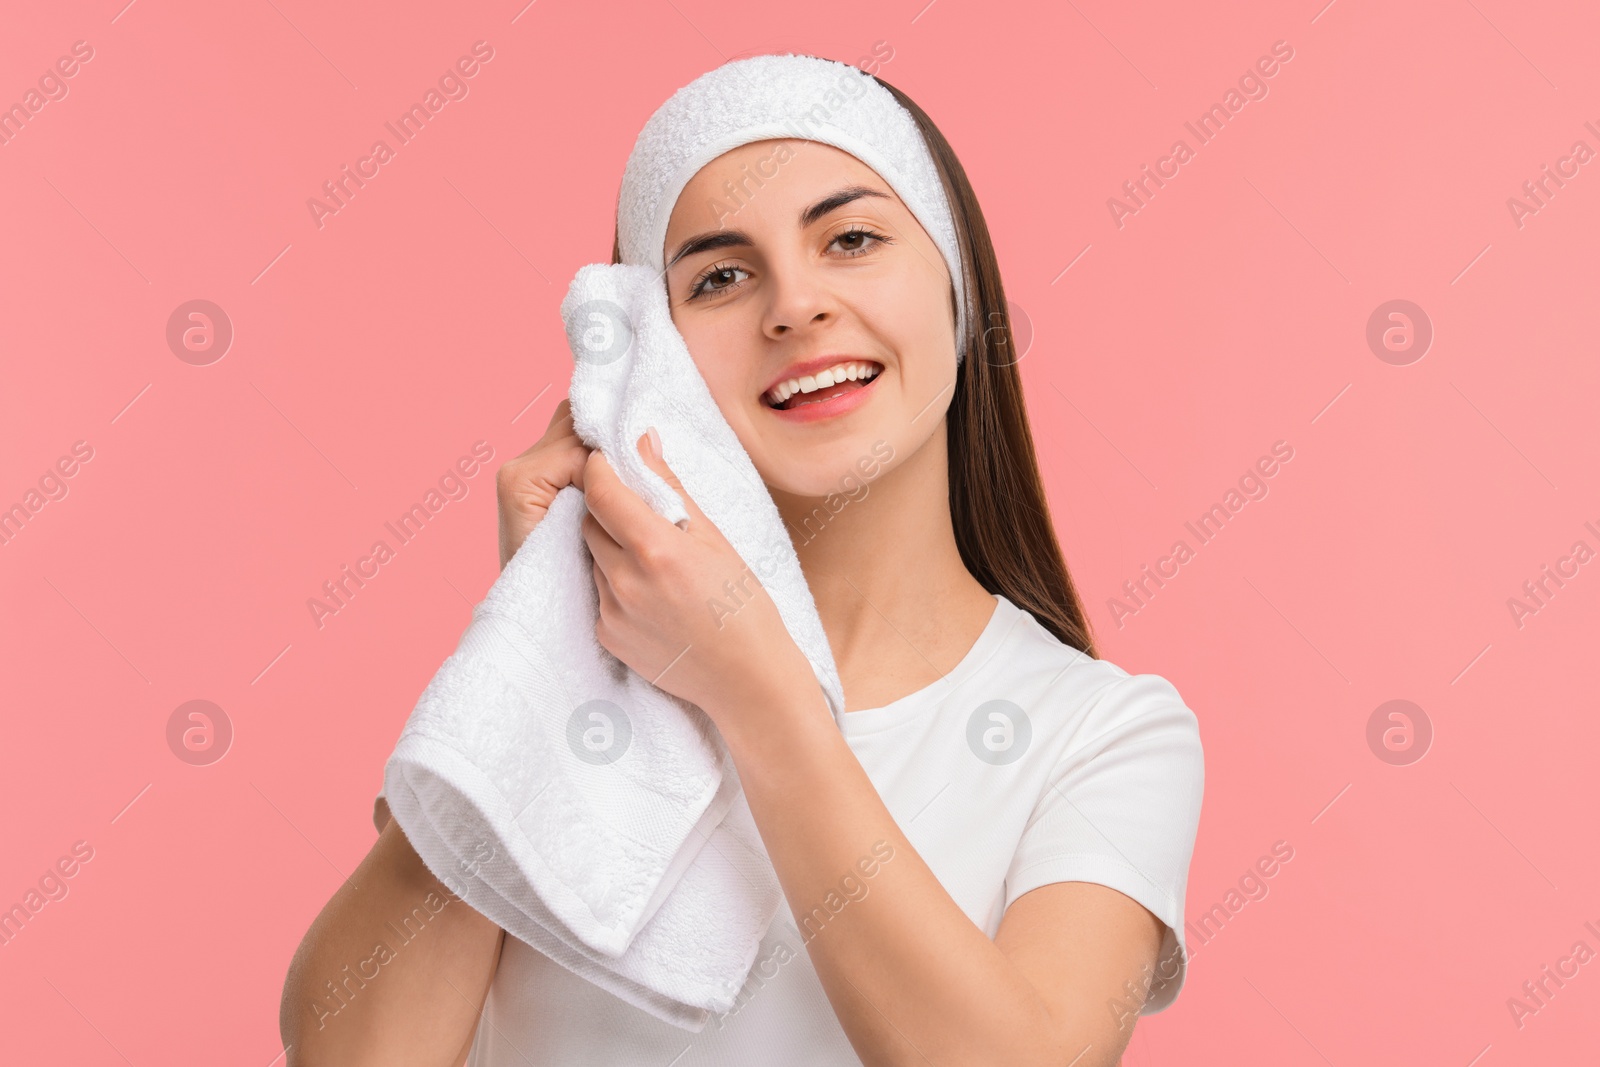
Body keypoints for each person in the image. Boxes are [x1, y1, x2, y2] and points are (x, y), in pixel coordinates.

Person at [281, 53, 1204, 1067]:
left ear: (954, 284)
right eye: (719, 275)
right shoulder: (586, 693)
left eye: (851, 238)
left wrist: (758, 694)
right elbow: (349, 1050)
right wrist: (538, 652)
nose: (794, 306)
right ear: (652, 355)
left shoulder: (1105, 734)